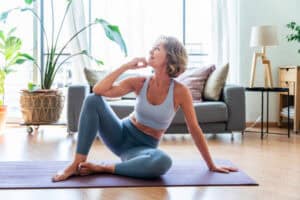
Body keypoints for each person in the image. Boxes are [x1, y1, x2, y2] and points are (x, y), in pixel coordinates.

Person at [52, 36, 237, 182]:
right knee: (92, 100)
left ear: (170, 58)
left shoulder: (180, 91)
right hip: (120, 134)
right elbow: (99, 90)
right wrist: (126, 65)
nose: (151, 50)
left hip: (141, 149)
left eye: (157, 48)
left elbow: (194, 129)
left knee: (163, 162)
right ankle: (77, 162)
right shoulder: (140, 81)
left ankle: (103, 168)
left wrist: (211, 165)